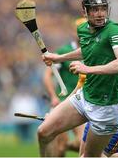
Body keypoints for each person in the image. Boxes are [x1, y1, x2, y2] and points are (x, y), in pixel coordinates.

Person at [38, 0, 118, 157]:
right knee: (44, 132)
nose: (100, 13)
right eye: (95, 9)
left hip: (107, 108)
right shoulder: (83, 29)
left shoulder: (114, 30)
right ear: (85, 12)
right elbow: (87, 50)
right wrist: (58, 58)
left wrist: (88, 69)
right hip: (85, 97)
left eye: (103, 9)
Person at [43, 19, 86, 156]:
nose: (82, 34)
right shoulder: (64, 50)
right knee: (57, 152)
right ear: (74, 32)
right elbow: (47, 75)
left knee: (81, 143)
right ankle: (61, 147)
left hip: (82, 103)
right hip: (62, 102)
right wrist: (53, 96)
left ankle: (65, 145)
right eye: (79, 30)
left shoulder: (93, 51)